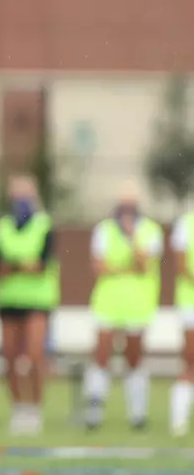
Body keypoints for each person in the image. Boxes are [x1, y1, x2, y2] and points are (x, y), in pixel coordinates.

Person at [85, 184, 162, 430]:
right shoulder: (104, 230)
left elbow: (143, 264)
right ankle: (95, 410)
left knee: (134, 357)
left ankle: (137, 412)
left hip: (138, 304)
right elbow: (98, 267)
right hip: (107, 302)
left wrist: (130, 239)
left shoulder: (150, 231)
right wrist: (123, 268)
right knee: (101, 354)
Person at [0, 175, 58, 436]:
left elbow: (40, 266)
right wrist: (22, 265)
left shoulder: (44, 225)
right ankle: (19, 408)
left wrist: (15, 266)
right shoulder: (3, 227)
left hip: (37, 301)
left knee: (34, 354)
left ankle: (35, 407)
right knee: (9, 357)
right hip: (8, 301)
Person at [170, 206, 194, 437]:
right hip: (191, 304)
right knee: (191, 360)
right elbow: (181, 267)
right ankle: (179, 419)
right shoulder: (186, 224)